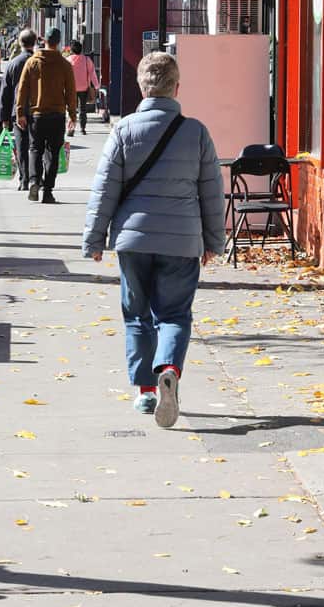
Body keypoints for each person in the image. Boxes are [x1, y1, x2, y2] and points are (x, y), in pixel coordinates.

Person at [81, 51, 223, 429]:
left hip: (134, 241)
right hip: (182, 241)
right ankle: (170, 369)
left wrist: (94, 239)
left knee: (137, 316)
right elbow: (212, 191)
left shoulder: (124, 130)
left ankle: (145, 391)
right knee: (174, 314)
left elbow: (105, 189)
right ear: (177, 88)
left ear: (142, 87)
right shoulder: (196, 133)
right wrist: (214, 240)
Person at [15, 26, 77, 204]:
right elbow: (71, 92)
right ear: (58, 42)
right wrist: (73, 115)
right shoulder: (65, 65)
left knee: (35, 149)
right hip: (57, 115)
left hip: (37, 115)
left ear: (45, 41)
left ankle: (34, 181)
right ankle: (48, 191)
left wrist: (20, 113)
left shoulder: (32, 62)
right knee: (53, 153)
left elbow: (22, 89)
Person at [0, 28, 38, 190]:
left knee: (21, 146)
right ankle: (36, 178)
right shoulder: (38, 62)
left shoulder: (13, 64)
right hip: (37, 110)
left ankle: (24, 180)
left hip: (18, 111)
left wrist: (4, 117)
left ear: (20, 43)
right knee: (36, 147)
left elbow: (5, 92)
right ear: (35, 42)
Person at [67, 37, 100, 136]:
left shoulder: (68, 60)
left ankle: (71, 129)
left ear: (72, 50)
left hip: (71, 88)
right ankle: (82, 128)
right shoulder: (86, 60)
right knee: (83, 109)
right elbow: (92, 73)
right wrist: (96, 86)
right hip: (84, 88)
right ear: (81, 49)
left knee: (72, 109)